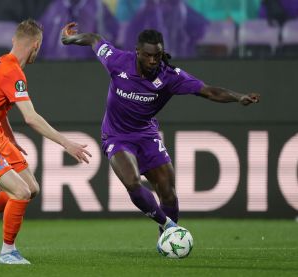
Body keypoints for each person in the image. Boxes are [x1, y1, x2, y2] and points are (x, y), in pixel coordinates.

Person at [61, 22, 260, 238]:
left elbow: (208, 91)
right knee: (132, 182)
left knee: (168, 193)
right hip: (117, 136)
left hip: (146, 135)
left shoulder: (170, 77)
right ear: (137, 52)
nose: (153, 60)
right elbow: (94, 38)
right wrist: (69, 39)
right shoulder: (117, 61)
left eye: (157, 55)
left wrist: (238, 97)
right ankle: (170, 228)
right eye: (148, 55)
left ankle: (166, 237)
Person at [0, 19, 91, 265]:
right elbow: (31, 118)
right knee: (20, 191)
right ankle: (8, 252)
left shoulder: (0, 62)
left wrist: (8, 138)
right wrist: (66, 143)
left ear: (13, 41)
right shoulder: (13, 73)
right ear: (36, 45)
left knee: (32, 189)